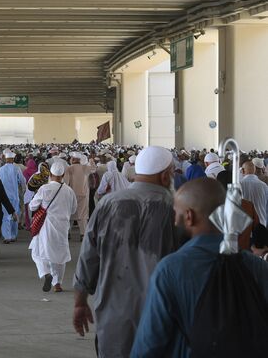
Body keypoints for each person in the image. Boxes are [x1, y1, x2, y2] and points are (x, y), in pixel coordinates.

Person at [131, 178, 268, 357]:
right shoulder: (257, 266)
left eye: (176, 213)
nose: (174, 221)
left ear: (189, 216)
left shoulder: (170, 270)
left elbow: (149, 345)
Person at [73, 146, 179, 357]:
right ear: (166, 176)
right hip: (162, 317)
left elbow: (88, 258)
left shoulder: (107, 204)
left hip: (114, 317)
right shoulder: (177, 208)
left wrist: (79, 302)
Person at [29, 162, 77, 292]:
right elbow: (73, 210)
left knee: (38, 251)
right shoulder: (69, 191)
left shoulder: (45, 189)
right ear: (63, 175)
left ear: (50, 174)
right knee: (60, 255)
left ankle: (46, 273)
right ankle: (57, 284)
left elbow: (32, 206)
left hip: (46, 226)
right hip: (63, 227)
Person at [64, 153, 96, 240]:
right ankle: (83, 234)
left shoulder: (69, 168)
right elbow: (93, 169)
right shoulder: (85, 168)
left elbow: (65, 182)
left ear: (74, 159)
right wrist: (91, 160)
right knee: (83, 215)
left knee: (70, 214)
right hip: (83, 195)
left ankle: (67, 233)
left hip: (71, 194)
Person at [0, 149, 26, 243]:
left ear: (5, 159)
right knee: (14, 214)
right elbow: (22, 181)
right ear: (13, 159)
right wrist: (23, 191)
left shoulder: (0, 170)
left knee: (5, 216)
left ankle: (7, 236)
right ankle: (13, 235)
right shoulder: (16, 169)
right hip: (15, 196)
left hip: (4, 197)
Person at [240, 161, 268, 226]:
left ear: (243, 171)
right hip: (261, 224)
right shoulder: (264, 186)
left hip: (244, 226)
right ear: (254, 171)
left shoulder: (239, 185)